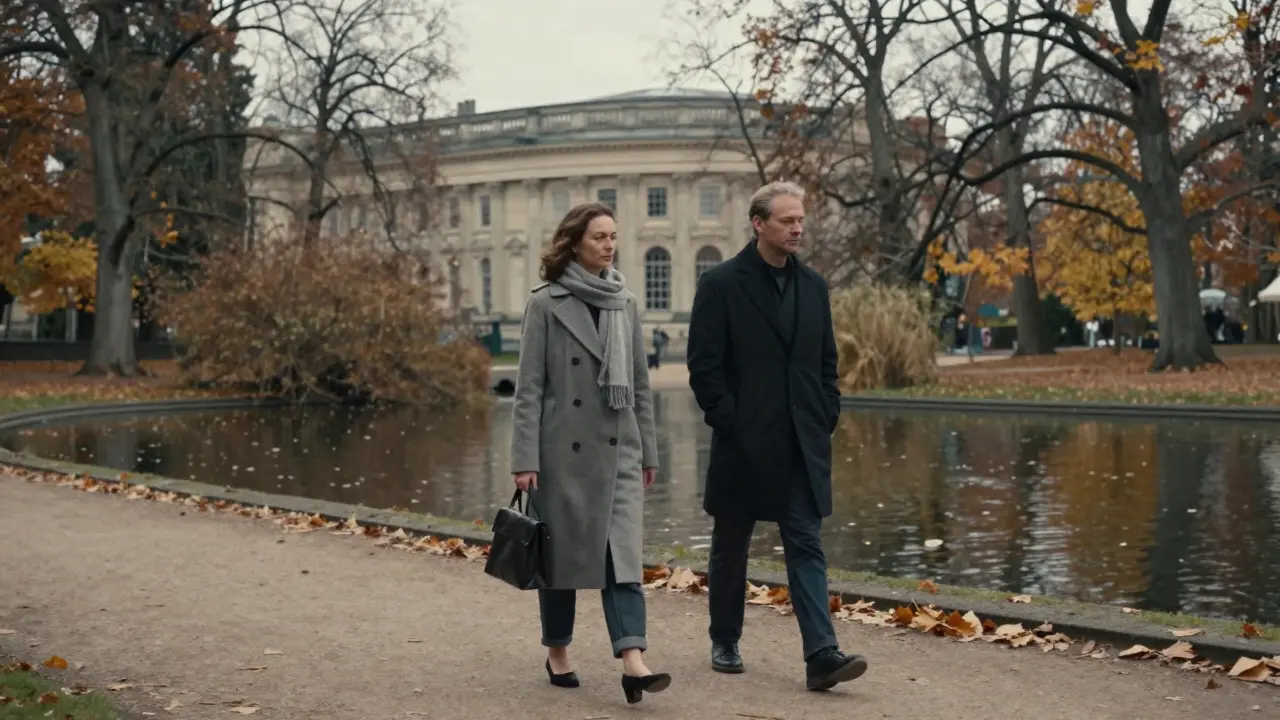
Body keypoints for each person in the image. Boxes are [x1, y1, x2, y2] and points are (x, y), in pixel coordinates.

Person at [686, 181, 868, 691]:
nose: (797, 228)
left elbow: (825, 362)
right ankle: (724, 638)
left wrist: (824, 413)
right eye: (787, 220)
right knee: (731, 546)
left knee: (807, 545)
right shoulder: (721, 284)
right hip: (744, 442)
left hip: (801, 443)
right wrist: (730, 420)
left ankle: (821, 655)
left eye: (800, 220)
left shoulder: (813, 285)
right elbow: (704, 367)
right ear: (758, 223)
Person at [508, 201, 672, 705]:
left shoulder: (624, 301)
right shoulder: (546, 302)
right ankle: (558, 650)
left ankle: (633, 660)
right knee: (561, 561)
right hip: (562, 454)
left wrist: (648, 451)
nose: (609, 245)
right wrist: (525, 460)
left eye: (613, 236)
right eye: (599, 237)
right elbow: (529, 388)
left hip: (619, 450)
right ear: (575, 242)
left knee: (621, 557)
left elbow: (640, 386)